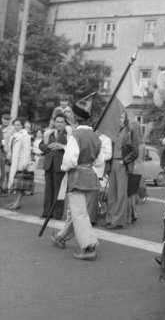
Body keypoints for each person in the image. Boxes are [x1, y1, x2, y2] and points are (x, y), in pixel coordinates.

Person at [50, 94, 103, 260]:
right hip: (91, 177)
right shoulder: (96, 137)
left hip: (77, 177)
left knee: (79, 214)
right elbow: (99, 162)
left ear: (76, 118)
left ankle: (89, 247)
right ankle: (61, 236)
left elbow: (70, 159)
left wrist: (64, 167)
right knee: (79, 213)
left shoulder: (75, 136)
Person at [104, 111, 138, 229]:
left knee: (121, 194)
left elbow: (135, 152)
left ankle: (117, 221)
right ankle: (110, 219)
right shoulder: (112, 132)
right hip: (112, 163)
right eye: (118, 117)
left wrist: (124, 161)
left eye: (122, 117)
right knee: (111, 194)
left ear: (126, 119)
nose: (119, 119)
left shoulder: (130, 131)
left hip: (122, 164)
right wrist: (108, 166)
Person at [39, 114, 68, 219]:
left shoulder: (68, 135)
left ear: (65, 123)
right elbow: (41, 145)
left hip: (60, 165)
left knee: (59, 190)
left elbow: (71, 148)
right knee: (48, 189)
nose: (59, 124)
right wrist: (49, 146)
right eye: (58, 122)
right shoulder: (49, 133)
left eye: (61, 122)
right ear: (54, 123)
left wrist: (62, 147)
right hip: (48, 164)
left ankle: (57, 213)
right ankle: (47, 212)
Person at [5, 118, 32, 210]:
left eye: (18, 125)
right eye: (15, 125)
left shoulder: (25, 135)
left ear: (22, 126)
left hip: (21, 163)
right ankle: (14, 202)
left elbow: (27, 150)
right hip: (14, 161)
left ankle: (18, 203)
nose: (16, 126)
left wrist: (24, 164)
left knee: (20, 185)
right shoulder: (14, 135)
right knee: (15, 184)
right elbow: (10, 148)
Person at [87, 129, 112, 225]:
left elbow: (108, 155)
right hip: (88, 166)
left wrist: (98, 157)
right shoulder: (90, 136)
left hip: (98, 169)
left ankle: (92, 218)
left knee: (94, 194)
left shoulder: (106, 139)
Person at [0, 113, 13, 196]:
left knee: (4, 171)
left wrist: (10, 154)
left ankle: (4, 189)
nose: (6, 121)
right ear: (2, 119)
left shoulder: (12, 130)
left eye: (8, 119)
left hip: (5, 152)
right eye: (4, 119)